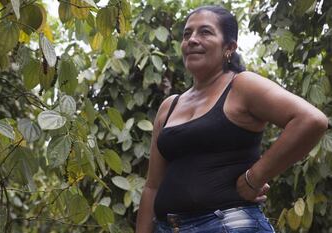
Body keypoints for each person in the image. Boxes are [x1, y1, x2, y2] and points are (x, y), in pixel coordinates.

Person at [136, 5, 329, 233]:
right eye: (187, 34)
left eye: (205, 32)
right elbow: (152, 187)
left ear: (229, 47)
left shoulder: (242, 86)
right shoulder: (169, 106)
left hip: (229, 225)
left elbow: (311, 120)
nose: (192, 40)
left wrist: (254, 178)